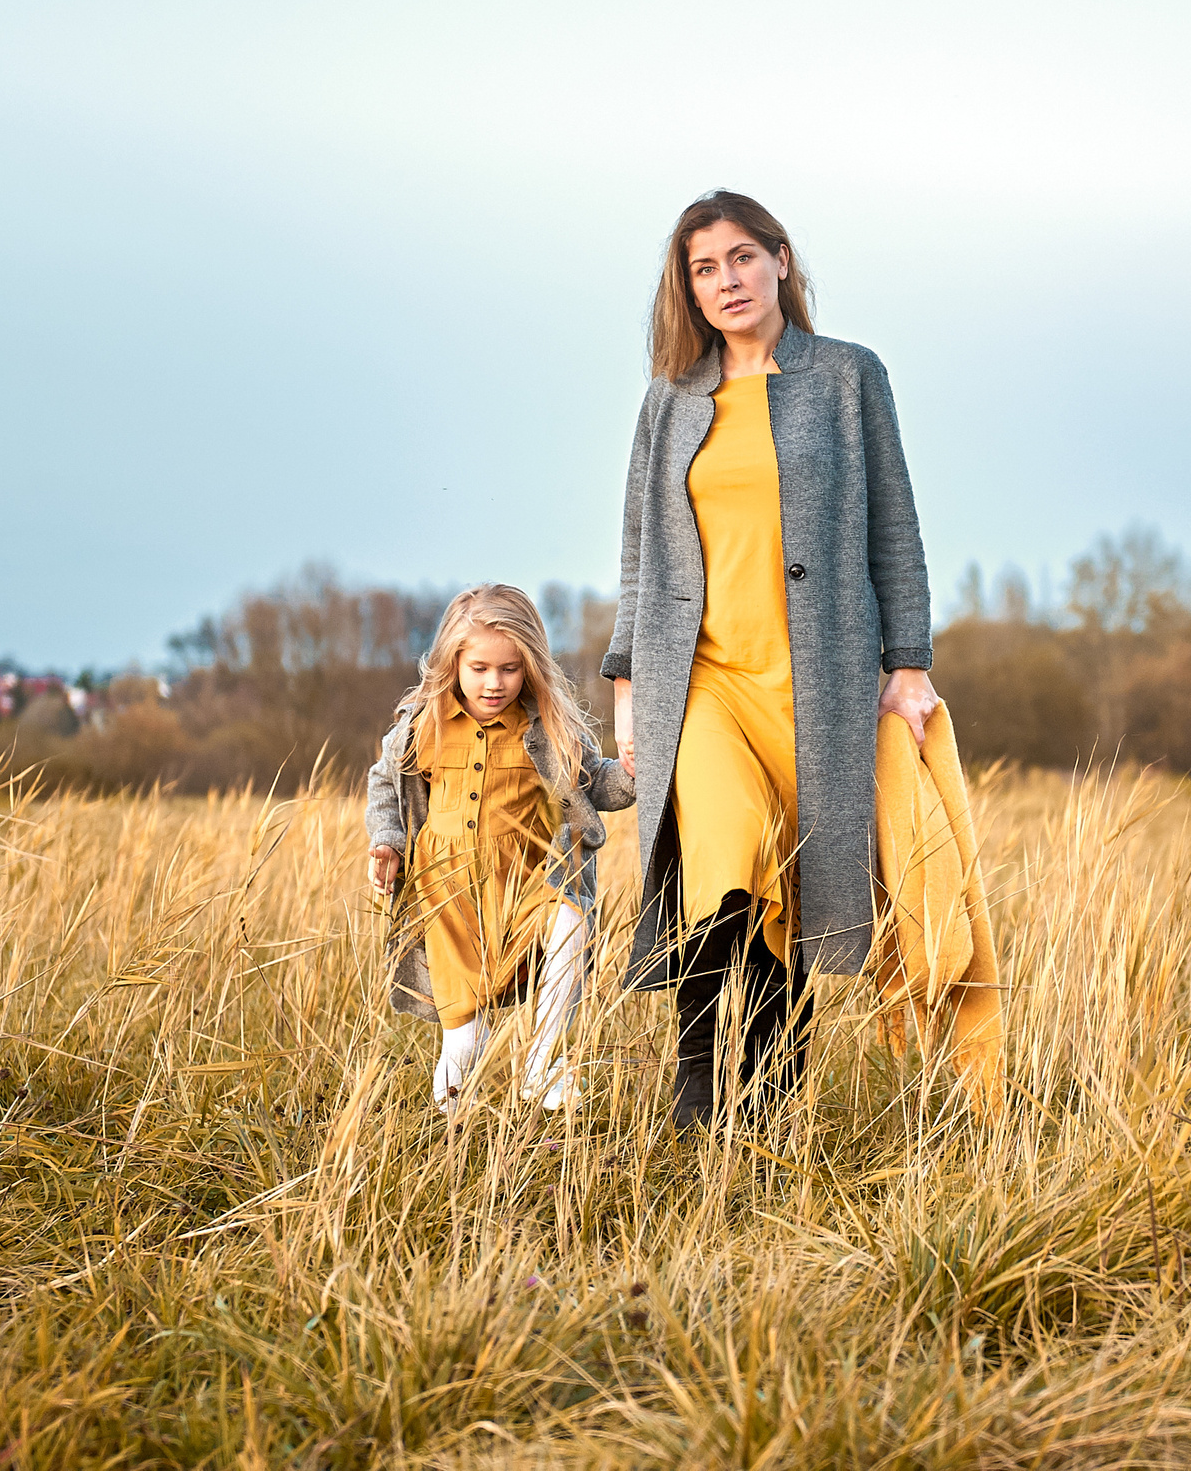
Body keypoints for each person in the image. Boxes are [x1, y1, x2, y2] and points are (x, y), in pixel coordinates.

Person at [603, 191, 938, 1129]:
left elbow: (894, 528)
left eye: (742, 258)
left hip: (813, 679)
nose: (727, 281)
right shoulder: (669, 401)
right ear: (690, 289)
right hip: (699, 679)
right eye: (705, 269)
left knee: (786, 884)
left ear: (781, 261)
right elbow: (639, 551)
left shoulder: (846, 377)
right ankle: (701, 1090)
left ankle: (775, 1094)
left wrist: (907, 663)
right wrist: (627, 685)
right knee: (727, 859)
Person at [365, 584, 636, 1111]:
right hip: (449, 901)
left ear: (529, 665)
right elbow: (385, 783)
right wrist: (389, 842)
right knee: (463, 1047)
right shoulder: (427, 723)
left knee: (571, 924)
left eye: (510, 669)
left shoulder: (545, 727)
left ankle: (543, 1063)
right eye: (480, 668)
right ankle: (452, 1146)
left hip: (527, 885)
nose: (494, 683)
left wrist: (635, 773)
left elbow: (594, 784)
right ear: (453, 662)